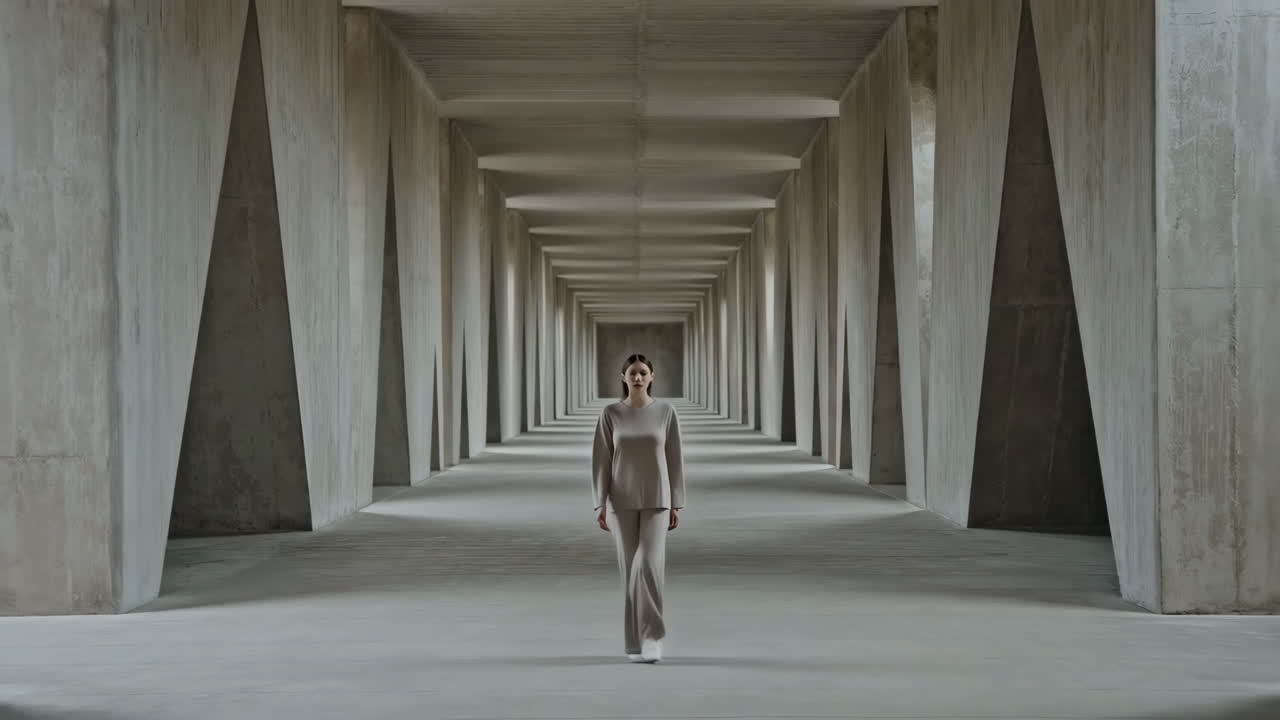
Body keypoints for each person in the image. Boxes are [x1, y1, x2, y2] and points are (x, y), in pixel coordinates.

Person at [591, 353, 685, 664]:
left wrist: (677, 501)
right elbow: (602, 460)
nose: (638, 378)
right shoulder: (611, 414)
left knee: (647, 565)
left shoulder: (665, 412)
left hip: (658, 498)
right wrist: (599, 502)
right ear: (623, 377)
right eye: (632, 373)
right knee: (630, 569)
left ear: (652, 376)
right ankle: (634, 642)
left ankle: (653, 637)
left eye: (643, 372)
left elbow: (675, 458)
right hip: (621, 499)